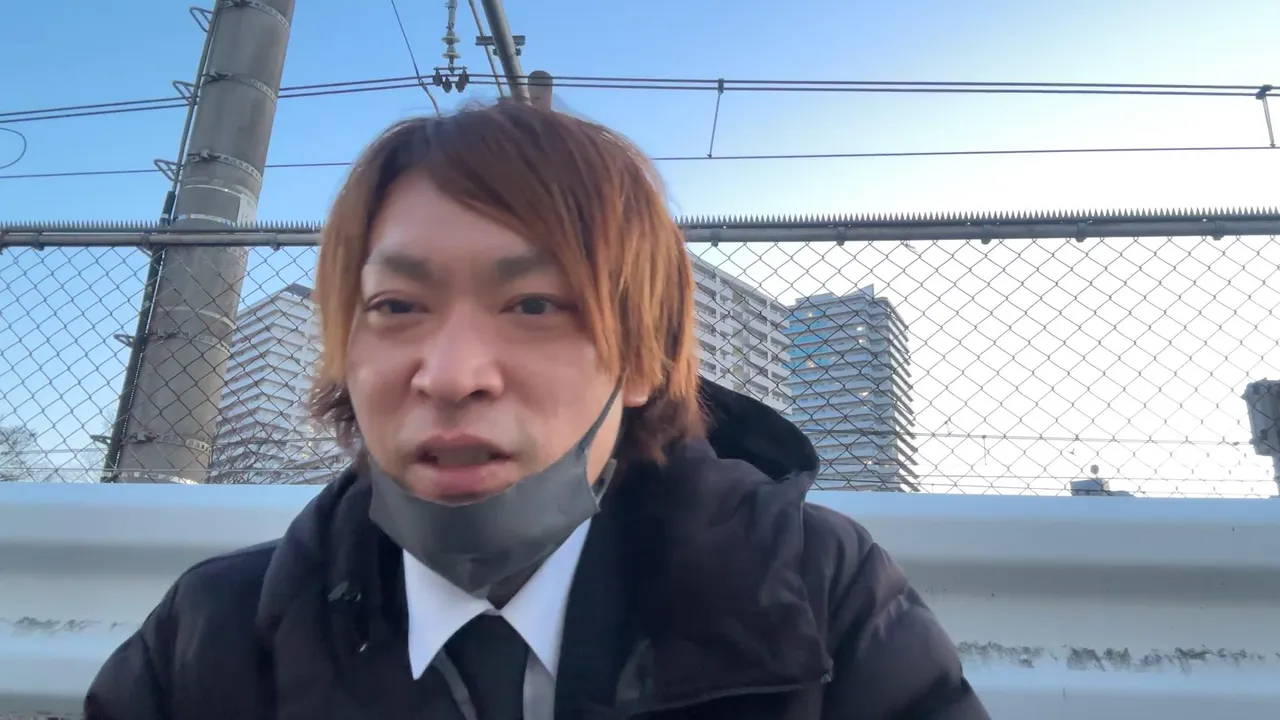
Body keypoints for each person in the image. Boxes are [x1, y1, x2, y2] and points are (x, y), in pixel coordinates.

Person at [85, 102, 989, 720]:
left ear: (641, 361)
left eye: (534, 305)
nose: (451, 375)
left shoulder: (816, 593)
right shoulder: (211, 635)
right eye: (396, 306)